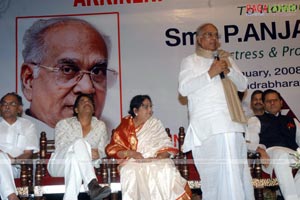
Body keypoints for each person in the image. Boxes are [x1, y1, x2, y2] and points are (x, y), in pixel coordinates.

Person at [178, 23, 254, 200]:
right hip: (208, 126)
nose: (214, 38)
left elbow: (243, 85)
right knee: (214, 178)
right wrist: (210, 73)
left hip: (232, 124)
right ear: (199, 39)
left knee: (237, 174)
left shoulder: (226, 58)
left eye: (216, 35)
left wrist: (229, 70)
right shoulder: (190, 61)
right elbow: (183, 89)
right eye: (209, 35)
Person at [20, 17, 117, 138]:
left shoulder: (116, 138)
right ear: (29, 80)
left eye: (97, 71)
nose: (87, 88)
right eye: (67, 70)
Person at [106, 95, 192, 200]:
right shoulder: (125, 126)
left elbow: (166, 145)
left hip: (154, 160)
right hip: (134, 162)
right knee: (130, 172)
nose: (150, 110)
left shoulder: (155, 124)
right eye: (146, 107)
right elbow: (112, 149)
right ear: (135, 110)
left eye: (151, 106)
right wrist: (131, 153)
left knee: (166, 168)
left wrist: (160, 156)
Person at [47, 93, 111, 200]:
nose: (87, 103)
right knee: (79, 143)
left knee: (74, 158)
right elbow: (61, 147)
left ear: (94, 109)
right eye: (82, 101)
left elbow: (103, 150)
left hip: (84, 165)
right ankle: (92, 184)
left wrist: (99, 153)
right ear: (76, 110)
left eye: (89, 102)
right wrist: (87, 151)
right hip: (59, 164)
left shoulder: (100, 126)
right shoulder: (64, 124)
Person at [246, 89, 300, 200]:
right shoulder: (256, 120)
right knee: (281, 155)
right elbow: (248, 143)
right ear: (264, 104)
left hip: (293, 154)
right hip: (271, 154)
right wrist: (260, 151)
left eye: (275, 100)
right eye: (268, 101)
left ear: (281, 102)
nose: (272, 103)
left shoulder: (292, 120)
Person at [0, 92, 39, 200]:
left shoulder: (28, 125)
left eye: (12, 104)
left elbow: (28, 153)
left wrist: (13, 160)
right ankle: (12, 196)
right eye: (4, 104)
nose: (7, 107)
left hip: (17, 168)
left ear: (19, 109)